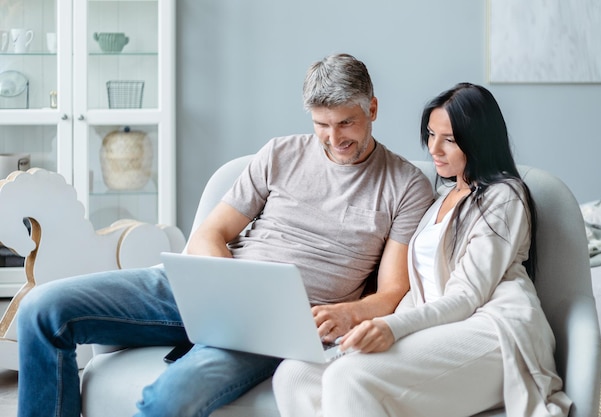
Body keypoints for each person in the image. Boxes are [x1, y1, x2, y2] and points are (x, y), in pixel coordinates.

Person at [15, 53, 434, 417]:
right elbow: (211, 232)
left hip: (276, 322)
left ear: (373, 109)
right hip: (204, 286)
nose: (334, 138)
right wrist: (230, 290)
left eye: (347, 123)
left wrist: (348, 313)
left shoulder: (405, 184)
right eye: (322, 124)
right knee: (41, 308)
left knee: (169, 402)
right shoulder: (280, 153)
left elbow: (393, 291)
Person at [272, 82, 573, 417]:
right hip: (439, 328)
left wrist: (391, 328)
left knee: (350, 377)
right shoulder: (441, 200)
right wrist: (374, 327)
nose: (435, 149)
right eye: (431, 134)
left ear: (480, 140)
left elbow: (466, 297)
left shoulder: (504, 197)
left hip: (493, 332)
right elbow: (421, 288)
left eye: (450, 139)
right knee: (295, 375)